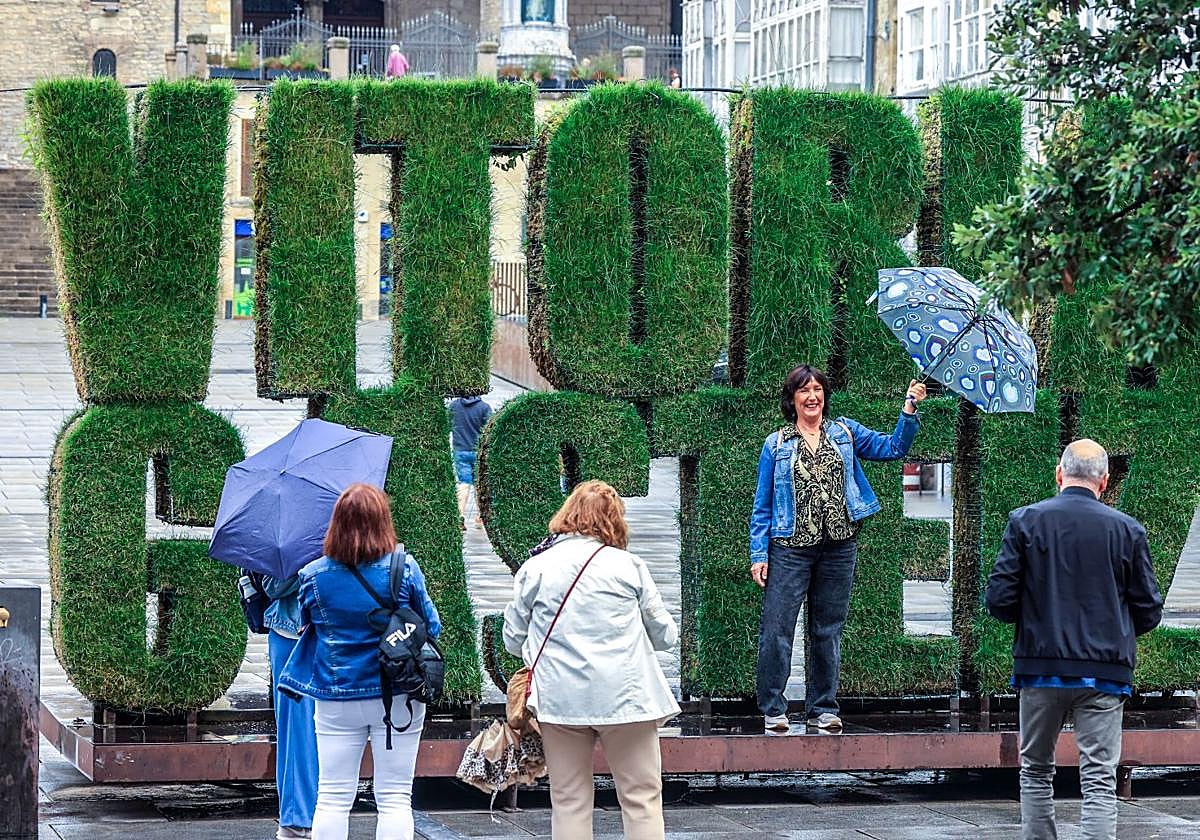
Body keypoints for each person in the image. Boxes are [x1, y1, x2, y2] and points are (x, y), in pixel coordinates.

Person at [986, 439, 1163, 840]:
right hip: (1105, 672)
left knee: (1035, 770)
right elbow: (1149, 610)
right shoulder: (1127, 530)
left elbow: (998, 601)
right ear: (1104, 481)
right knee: (1100, 779)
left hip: (1040, 666)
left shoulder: (1025, 521)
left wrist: (1036, 618)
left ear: (1059, 474)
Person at [751, 364, 926, 732]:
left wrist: (909, 407)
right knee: (777, 629)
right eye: (804, 390)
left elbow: (892, 447)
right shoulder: (777, 443)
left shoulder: (845, 432)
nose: (812, 396)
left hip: (839, 546)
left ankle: (823, 709)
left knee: (827, 629)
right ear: (792, 399)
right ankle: (773, 709)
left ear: (825, 396)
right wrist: (758, 553)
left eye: (817, 389)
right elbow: (762, 504)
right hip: (790, 547)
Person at [503, 480, 679, 840]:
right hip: (627, 701)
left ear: (568, 515)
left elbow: (511, 638)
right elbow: (665, 636)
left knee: (569, 799)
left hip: (560, 701)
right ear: (614, 521)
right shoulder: (629, 566)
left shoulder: (536, 567)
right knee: (641, 796)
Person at [279, 483, 442, 840]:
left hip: (336, 695)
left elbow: (304, 624)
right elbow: (432, 626)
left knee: (333, 797)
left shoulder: (313, 576)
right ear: (383, 521)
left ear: (335, 524)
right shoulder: (405, 568)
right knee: (395, 797)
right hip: (398, 693)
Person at [262, 573, 318, 839]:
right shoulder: (296, 540)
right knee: (296, 732)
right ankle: (297, 818)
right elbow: (272, 585)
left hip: (334, 639)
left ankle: (309, 815)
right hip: (292, 637)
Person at [450, 395, 492, 526]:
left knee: (464, 482)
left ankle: (460, 514)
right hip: (477, 451)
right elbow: (490, 429)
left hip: (460, 450)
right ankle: (480, 517)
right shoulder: (484, 408)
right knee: (479, 484)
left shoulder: (454, 406)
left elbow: (448, 425)